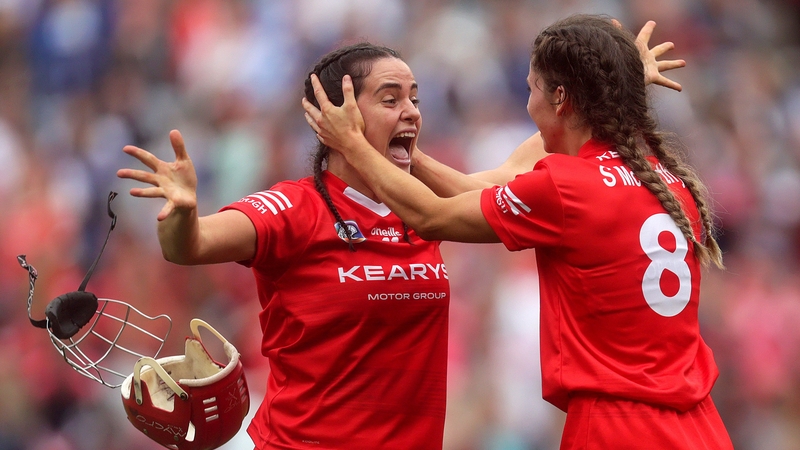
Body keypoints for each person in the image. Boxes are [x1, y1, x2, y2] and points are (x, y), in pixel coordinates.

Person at [117, 24, 686, 450]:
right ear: (337, 116)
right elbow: (189, 248)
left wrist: (612, 80)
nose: (411, 111)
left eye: (414, 97)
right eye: (390, 100)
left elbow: (528, 161)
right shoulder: (295, 206)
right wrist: (181, 211)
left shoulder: (425, 206)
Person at [303, 14, 733, 450]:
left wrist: (353, 143)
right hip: (700, 426)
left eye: (531, 90)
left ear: (561, 97)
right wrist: (401, 152)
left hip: (617, 426)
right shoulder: (666, 180)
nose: (528, 105)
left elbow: (433, 216)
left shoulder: (566, 187)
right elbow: (486, 187)